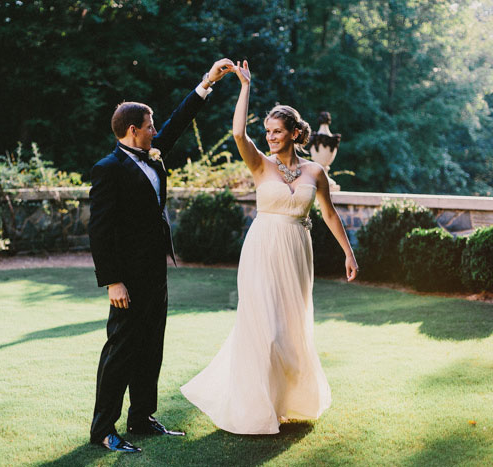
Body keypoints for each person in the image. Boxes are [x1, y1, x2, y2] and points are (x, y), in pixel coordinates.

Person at [181, 60, 359, 434]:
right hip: (262, 249)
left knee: (292, 329)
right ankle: (255, 405)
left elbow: (328, 214)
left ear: (295, 133)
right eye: (268, 131)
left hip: (297, 252)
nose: (271, 137)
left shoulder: (315, 172)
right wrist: (245, 86)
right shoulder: (261, 165)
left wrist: (348, 251)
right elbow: (237, 134)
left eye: (278, 131)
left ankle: (287, 403)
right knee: (267, 329)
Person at [88, 58, 235, 453]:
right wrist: (113, 280)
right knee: (121, 350)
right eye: (150, 126)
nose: (156, 131)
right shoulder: (108, 169)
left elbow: (177, 123)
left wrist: (207, 83)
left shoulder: (153, 152)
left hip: (155, 271)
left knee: (152, 345)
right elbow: (99, 230)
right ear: (133, 130)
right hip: (128, 278)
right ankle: (103, 429)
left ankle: (141, 418)